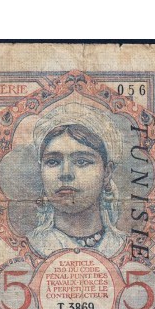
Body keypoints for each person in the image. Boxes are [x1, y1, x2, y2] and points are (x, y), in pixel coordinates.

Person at [27, 103, 126, 258]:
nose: (65, 173)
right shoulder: (31, 246)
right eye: (53, 162)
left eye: (81, 161)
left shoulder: (123, 246)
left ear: (107, 172)